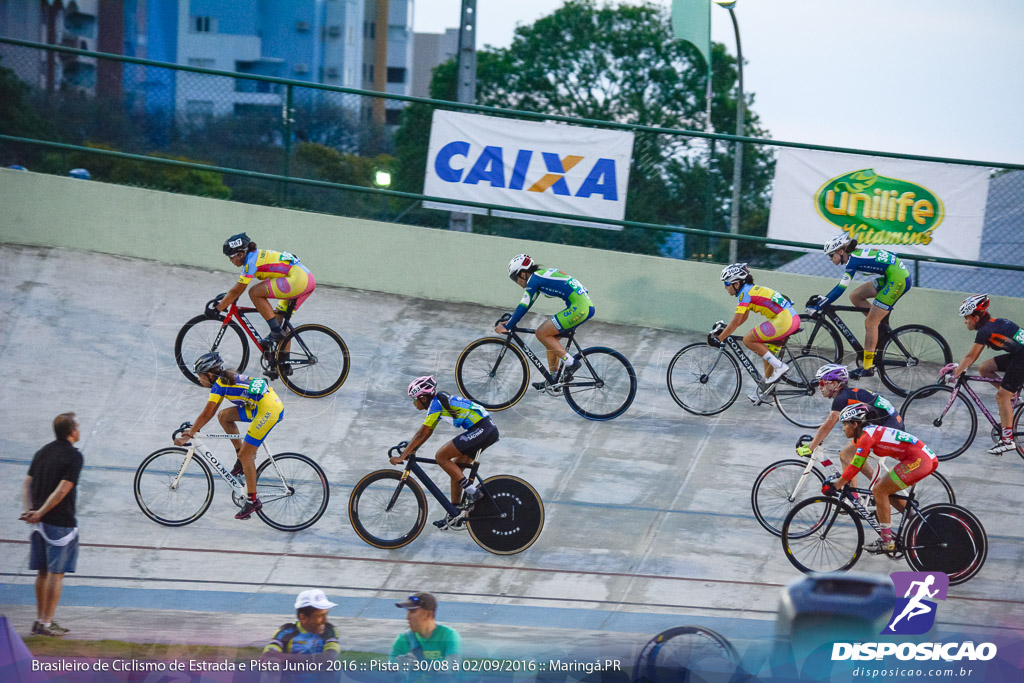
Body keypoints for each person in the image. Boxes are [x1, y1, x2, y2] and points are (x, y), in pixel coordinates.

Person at [173, 352, 284, 520]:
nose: (198, 379)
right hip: (264, 403)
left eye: (200, 376)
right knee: (224, 416)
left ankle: (252, 500)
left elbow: (206, 414)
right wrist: (193, 430)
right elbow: (214, 413)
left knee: (247, 455)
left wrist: (189, 434)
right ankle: (241, 460)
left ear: (210, 374)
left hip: (268, 410)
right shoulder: (225, 379)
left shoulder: (220, 385)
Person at [823, 403, 938, 554]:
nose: (843, 428)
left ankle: (886, 541)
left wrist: (836, 486)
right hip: (921, 458)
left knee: (879, 490)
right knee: (885, 489)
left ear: (855, 423)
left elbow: (855, 466)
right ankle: (917, 522)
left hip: (920, 461)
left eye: (844, 424)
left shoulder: (866, 437)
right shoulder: (866, 433)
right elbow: (854, 461)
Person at [391, 376, 498, 530]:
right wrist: (411, 448)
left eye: (414, 400)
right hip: (484, 429)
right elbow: (425, 434)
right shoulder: (437, 402)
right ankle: (455, 514)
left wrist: (403, 456)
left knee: (441, 456)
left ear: (422, 398)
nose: (413, 403)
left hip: (483, 429)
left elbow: (423, 433)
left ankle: (472, 492)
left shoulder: (436, 404)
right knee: (456, 470)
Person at [20, 413, 84, 637]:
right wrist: (41, 512)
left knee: (43, 572)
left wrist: (31, 511)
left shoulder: (42, 452)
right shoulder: (74, 456)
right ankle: (47, 623)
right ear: (71, 431)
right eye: (77, 426)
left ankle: (40, 621)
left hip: (39, 525)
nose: (79, 429)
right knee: (56, 574)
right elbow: (63, 489)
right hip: (60, 523)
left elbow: (27, 483)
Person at [815, 234, 913, 380]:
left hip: (898, 280)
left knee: (870, 323)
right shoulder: (855, 255)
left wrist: (823, 302)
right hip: (891, 276)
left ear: (841, 252)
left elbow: (841, 287)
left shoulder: (852, 261)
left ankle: (867, 367)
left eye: (831, 255)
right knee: (855, 296)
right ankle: (878, 327)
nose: (830, 259)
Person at [798, 363, 905, 488]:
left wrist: (811, 446)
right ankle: (867, 491)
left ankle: (854, 497)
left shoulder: (841, 399)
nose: (819, 387)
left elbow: (827, 426)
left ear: (833, 384)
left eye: (822, 383)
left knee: (846, 455)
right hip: (890, 426)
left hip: (888, 429)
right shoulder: (848, 395)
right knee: (853, 456)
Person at [497, 254, 594, 389]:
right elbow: (526, 305)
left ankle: (572, 363)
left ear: (523, 274)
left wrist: (508, 326)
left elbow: (524, 305)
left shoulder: (534, 279)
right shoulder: (539, 277)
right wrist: (511, 321)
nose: (517, 282)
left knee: (541, 333)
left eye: (515, 278)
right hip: (583, 306)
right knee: (550, 337)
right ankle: (553, 378)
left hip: (580, 308)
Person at [947, 294, 1024, 455]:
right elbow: (974, 361)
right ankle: (1013, 396)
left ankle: (1007, 440)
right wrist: (959, 368)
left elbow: (970, 357)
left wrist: (954, 374)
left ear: (975, 317)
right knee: (985, 368)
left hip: (1021, 358)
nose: (965, 321)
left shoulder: (985, 331)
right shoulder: (993, 324)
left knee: (1001, 396)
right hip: (1018, 355)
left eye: (966, 318)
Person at [215, 233, 316, 348]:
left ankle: (275, 331)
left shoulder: (251, 262)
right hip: (307, 278)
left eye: (231, 257)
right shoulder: (256, 255)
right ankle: (283, 364)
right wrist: (227, 299)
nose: (230, 260)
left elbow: (237, 291)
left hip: (299, 280)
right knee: (281, 322)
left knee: (254, 293)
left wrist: (218, 308)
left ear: (240, 254)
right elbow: (236, 291)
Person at [712, 263, 799, 397]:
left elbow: (735, 322)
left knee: (748, 339)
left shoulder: (744, 294)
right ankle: (768, 392)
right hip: (790, 318)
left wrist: (719, 338)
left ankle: (780, 367)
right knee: (767, 355)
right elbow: (742, 318)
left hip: (784, 320)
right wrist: (725, 331)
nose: (725, 287)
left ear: (736, 284)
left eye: (727, 283)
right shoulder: (749, 290)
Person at [262, 589, 341, 661]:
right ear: (302, 617)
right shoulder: (286, 631)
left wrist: (285, 657)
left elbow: (330, 658)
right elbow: (268, 655)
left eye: (326, 614)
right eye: (320, 616)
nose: (325, 620)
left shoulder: (329, 630)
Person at [391, 593, 461, 666]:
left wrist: (419, 666)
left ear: (428, 614)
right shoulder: (403, 640)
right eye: (407, 611)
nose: (407, 617)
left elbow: (452, 668)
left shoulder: (448, 635)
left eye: (412, 611)